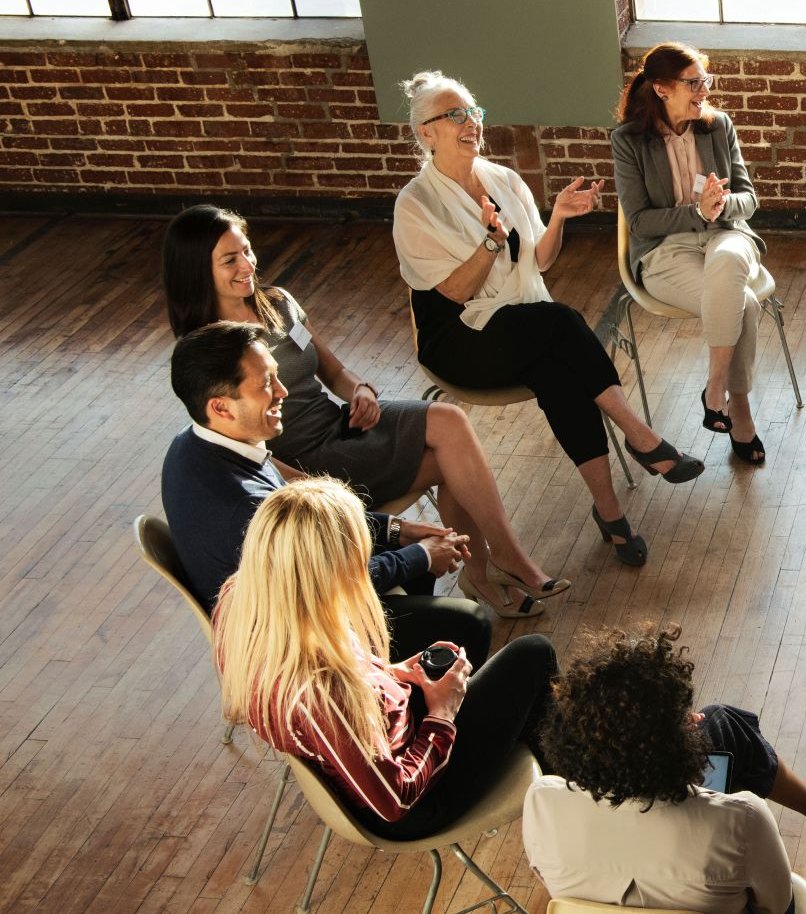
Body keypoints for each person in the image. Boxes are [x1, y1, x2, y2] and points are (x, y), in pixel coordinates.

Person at [164, 205, 565, 618]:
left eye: (247, 251)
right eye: (230, 260)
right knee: (452, 463)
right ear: (197, 270)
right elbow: (251, 457)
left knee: (449, 421)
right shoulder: (207, 352)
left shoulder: (278, 302)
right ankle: (487, 571)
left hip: (337, 425)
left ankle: (499, 560)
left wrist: (361, 391)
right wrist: (312, 488)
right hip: (305, 464)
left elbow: (335, 371)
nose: (247, 265)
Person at [393, 70, 701, 569]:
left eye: (474, 111)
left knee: (560, 372)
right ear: (426, 132)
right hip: (460, 340)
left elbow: (539, 261)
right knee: (559, 323)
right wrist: (490, 242)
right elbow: (455, 292)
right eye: (455, 115)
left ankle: (611, 514)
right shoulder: (414, 204)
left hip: (520, 327)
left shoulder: (503, 179)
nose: (471, 122)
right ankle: (641, 437)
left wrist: (557, 216)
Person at [216, 477, 558, 840]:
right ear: (327, 573)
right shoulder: (322, 692)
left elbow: (350, 684)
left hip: (392, 733)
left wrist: (393, 673)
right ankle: (570, 802)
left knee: (480, 639)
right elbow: (396, 800)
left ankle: (557, 786)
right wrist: (442, 714)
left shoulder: (242, 600)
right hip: (421, 796)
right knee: (534, 655)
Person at [162, 321, 493, 657]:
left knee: (410, 559)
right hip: (301, 643)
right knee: (471, 623)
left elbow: (315, 527)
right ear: (221, 407)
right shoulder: (247, 508)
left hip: (297, 591)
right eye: (266, 384)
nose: (283, 391)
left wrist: (396, 529)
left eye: (276, 376)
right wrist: (422, 555)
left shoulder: (193, 445)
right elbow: (328, 587)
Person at [524, 624, 806, 912]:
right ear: (668, 747)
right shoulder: (740, 819)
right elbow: (779, 907)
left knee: (719, 721)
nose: (696, 718)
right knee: (720, 721)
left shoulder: (542, 802)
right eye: (683, 718)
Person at [613, 42, 773, 464]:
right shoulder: (628, 141)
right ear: (662, 88)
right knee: (744, 304)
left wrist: (720, 207)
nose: (705, 91)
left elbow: (749, 199)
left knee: (728, 261)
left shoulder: (718, 126)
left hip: (726, 234)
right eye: (694, 83)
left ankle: (715, 387)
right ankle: (740, 411)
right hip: (666, 249)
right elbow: (640, 222)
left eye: (706, 81)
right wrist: (696, 213)